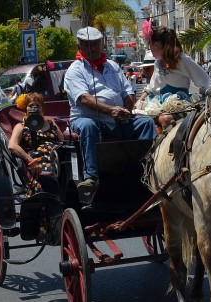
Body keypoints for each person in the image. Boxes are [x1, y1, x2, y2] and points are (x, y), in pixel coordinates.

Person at [63, 26, 157, 198]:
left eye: (95, 44)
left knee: (146, 123)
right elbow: (84, 98)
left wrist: (128, 109)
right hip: (86, 118)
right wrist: (111, 110)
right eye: (87, 45)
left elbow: (127, 91)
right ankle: (91, 177)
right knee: (88, 126)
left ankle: (149, 171)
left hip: (117, 119)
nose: (92, 48)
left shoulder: (113, 66)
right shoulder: (75, 70)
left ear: (101, 44)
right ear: (80, 47)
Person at [136, 24, 211, 129]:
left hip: (179, 104)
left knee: (166, 119)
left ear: (157, 45)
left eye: (149, 43)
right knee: (137, 114)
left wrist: (206, 99)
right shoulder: (158, 63)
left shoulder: (183, 60)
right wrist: (139, 102)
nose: (149, 47)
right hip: (159, 102)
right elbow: (151, 88)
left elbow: (206, 83)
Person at [8, 92, 64, 197]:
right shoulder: (21, 126)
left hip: (57, 157)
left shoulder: (51, 123)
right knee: (45, 176)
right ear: (25, 109)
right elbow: (12, 146)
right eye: (30, 106)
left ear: (42, 108)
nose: (34, 108)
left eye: (37, 105)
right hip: (38, 160)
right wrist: (30, 161)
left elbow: (62, 141)